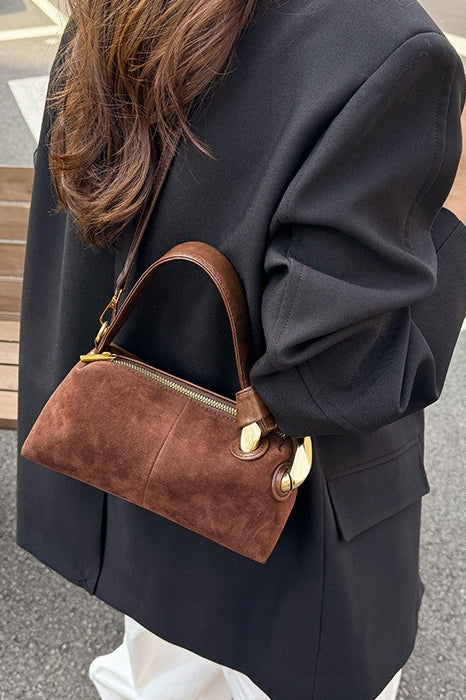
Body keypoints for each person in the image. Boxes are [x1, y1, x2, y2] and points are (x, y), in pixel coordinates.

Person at [16, 1, 466, 699]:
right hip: (291, 538)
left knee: (157, 679)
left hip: (141, 472)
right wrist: (456, 212)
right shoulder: (391, 48)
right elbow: (336, 381)